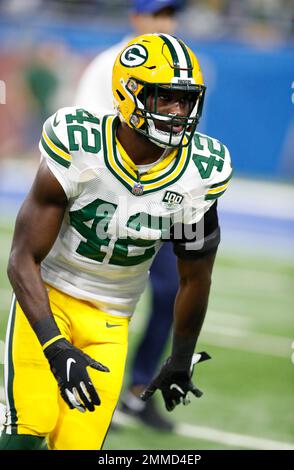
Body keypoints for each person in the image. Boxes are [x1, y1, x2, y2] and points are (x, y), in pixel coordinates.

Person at [0, 33, 232, 450]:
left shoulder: (201, 173)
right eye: (166, 98)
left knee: (79, 446)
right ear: (130, 93)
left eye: (187, 100)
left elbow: (195, 277)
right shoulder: (78, 144)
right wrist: (55, 346)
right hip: (48, 298)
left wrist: (180, 358)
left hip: (111, 320)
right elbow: (21, 259)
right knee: (28, 428)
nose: (179, 112)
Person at [75, 0, 186, 431]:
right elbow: (83, 128)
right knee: (94, 294)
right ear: (136, 17)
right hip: (108, 202)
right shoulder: (109, 64)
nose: (166, 22)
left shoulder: (182, 69)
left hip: (159, 203)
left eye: (170, 14)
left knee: (173, 292)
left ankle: (138, 391)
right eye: (157, 13)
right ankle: (79, 381)